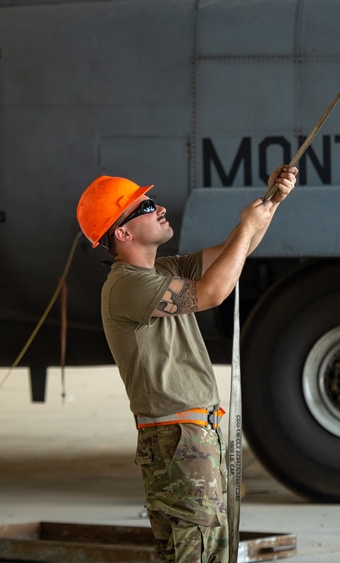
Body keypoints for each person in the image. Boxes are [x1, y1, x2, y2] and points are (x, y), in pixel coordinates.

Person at [75, 165, 297, 563]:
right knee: (197, 552)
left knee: (204, 550)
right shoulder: (128, 285)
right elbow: (212, 292)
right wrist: (247, 224)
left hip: (190, 435)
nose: (157, 207)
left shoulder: (162, 270)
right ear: (122, 233)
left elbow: (236, 252)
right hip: (177, 439)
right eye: (144, 207)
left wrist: (271, 203)